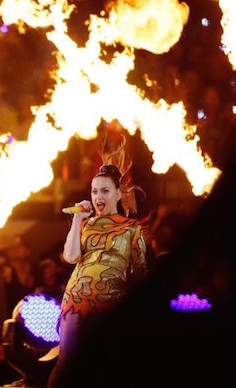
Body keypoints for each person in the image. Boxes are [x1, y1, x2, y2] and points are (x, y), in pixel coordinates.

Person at [47, 163, 148, 388]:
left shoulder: (132, 228)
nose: (98, 197)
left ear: (118, 194)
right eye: (94, 191)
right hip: (77, 302)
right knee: (66, 363)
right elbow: (70, 256)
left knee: (107, 367)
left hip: (112, 304)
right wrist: (77, 219)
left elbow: (140, 273)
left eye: (105, 191)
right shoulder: (85, 225)